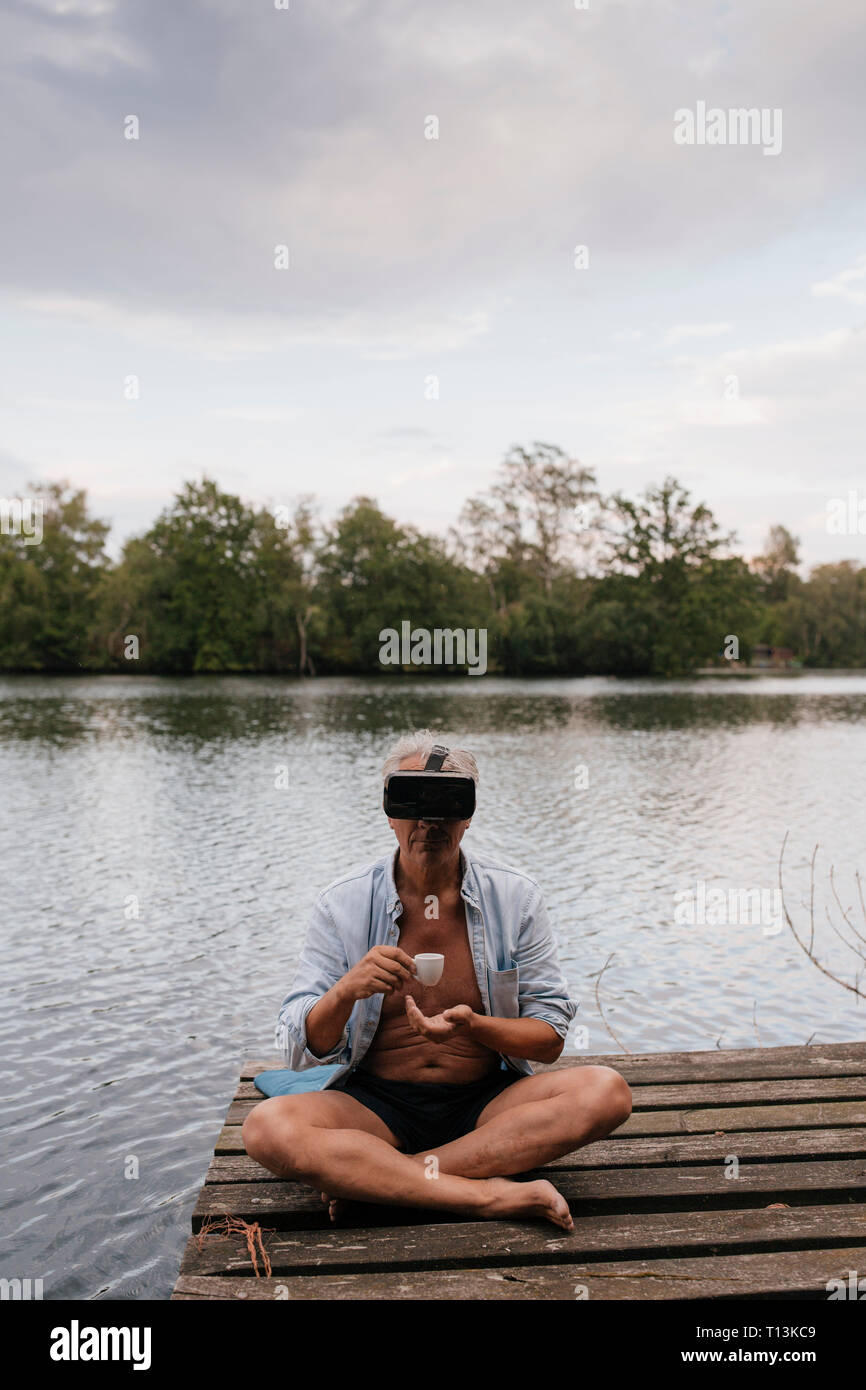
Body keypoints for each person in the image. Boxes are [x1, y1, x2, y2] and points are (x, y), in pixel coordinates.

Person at [243, 730, 631, 1230]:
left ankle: (386, 1183)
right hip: (375, 1106)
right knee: (267, 1129)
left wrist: (476, 1028)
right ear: (389, 812)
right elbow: (298, 1049)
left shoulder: (516, 899)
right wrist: (346, 991)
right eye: (411, 801)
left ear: (468, 814)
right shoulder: (341, 904)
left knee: (607, 1091)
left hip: (486, 1103)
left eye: (448, 802)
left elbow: (550, 1038)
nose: (429, 821)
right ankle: (486, 1196)